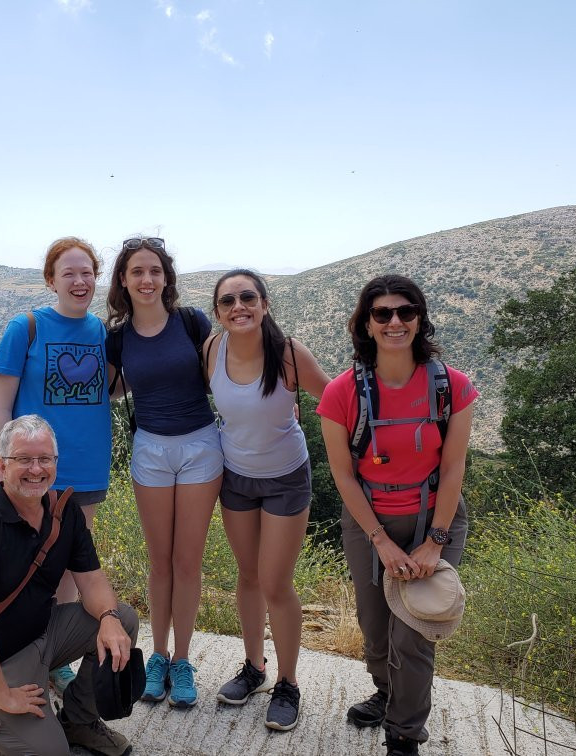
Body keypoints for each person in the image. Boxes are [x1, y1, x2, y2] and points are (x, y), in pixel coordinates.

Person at [317, 275, 477, 756]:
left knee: (413, 630)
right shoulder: (342, 393)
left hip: (435, 518)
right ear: (366, 323)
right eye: (382, 313)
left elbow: (452, 469)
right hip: (369, 524)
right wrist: (380, 540)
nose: (394, 322)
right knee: (375, 630)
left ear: (419, 318)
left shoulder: (452, 387)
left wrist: (436, 540)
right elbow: (344, 477)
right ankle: (387, 694)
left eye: (406, 312)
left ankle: (404, 733)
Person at [0, 415, 138, 756]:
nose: (36, 469)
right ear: (1, 465)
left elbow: (91, 579)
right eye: (23, 459)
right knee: (48, 752)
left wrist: (109, 618)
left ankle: (79, 722)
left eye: (45, 459)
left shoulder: (64, 513)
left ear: (55, 463)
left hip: (39, 635)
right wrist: (1, 694)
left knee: (122, 621)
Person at [206, 269, 330, 731]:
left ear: (264, 303)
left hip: (285, 479)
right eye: (228, 300)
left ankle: (288, 683)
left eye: (248, 297)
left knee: (276, 583)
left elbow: (335, 399)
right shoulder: (212, 351)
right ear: (217, 311)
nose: (238, 306)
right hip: (236, 478)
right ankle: (254, 668)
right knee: (248, 575)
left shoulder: (289, 355)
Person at [0, 236, 111, 696]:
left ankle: (54, 659)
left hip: (87, 466)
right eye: (69, 273)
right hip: (33, 469)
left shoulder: (100, 331)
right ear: (51, 280)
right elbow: (0, 404)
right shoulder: (28, 328)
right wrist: (3, 468)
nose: (79, 282)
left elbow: (110, 388)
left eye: (87, 273)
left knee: (69, 566)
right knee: (24, 563)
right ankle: (15, 651)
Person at [104, 236, 223, 709]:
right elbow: (111, 390)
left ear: (166, 277)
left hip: (200, 446)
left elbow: (227, 375)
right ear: (123, 281)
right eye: (137, 272)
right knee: (160, 562)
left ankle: (183, 659)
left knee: (187, 562)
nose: (147, 279)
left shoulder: (192, 323)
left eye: (154, 270)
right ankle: (156, 655)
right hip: (150, 448)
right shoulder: (117, 336)